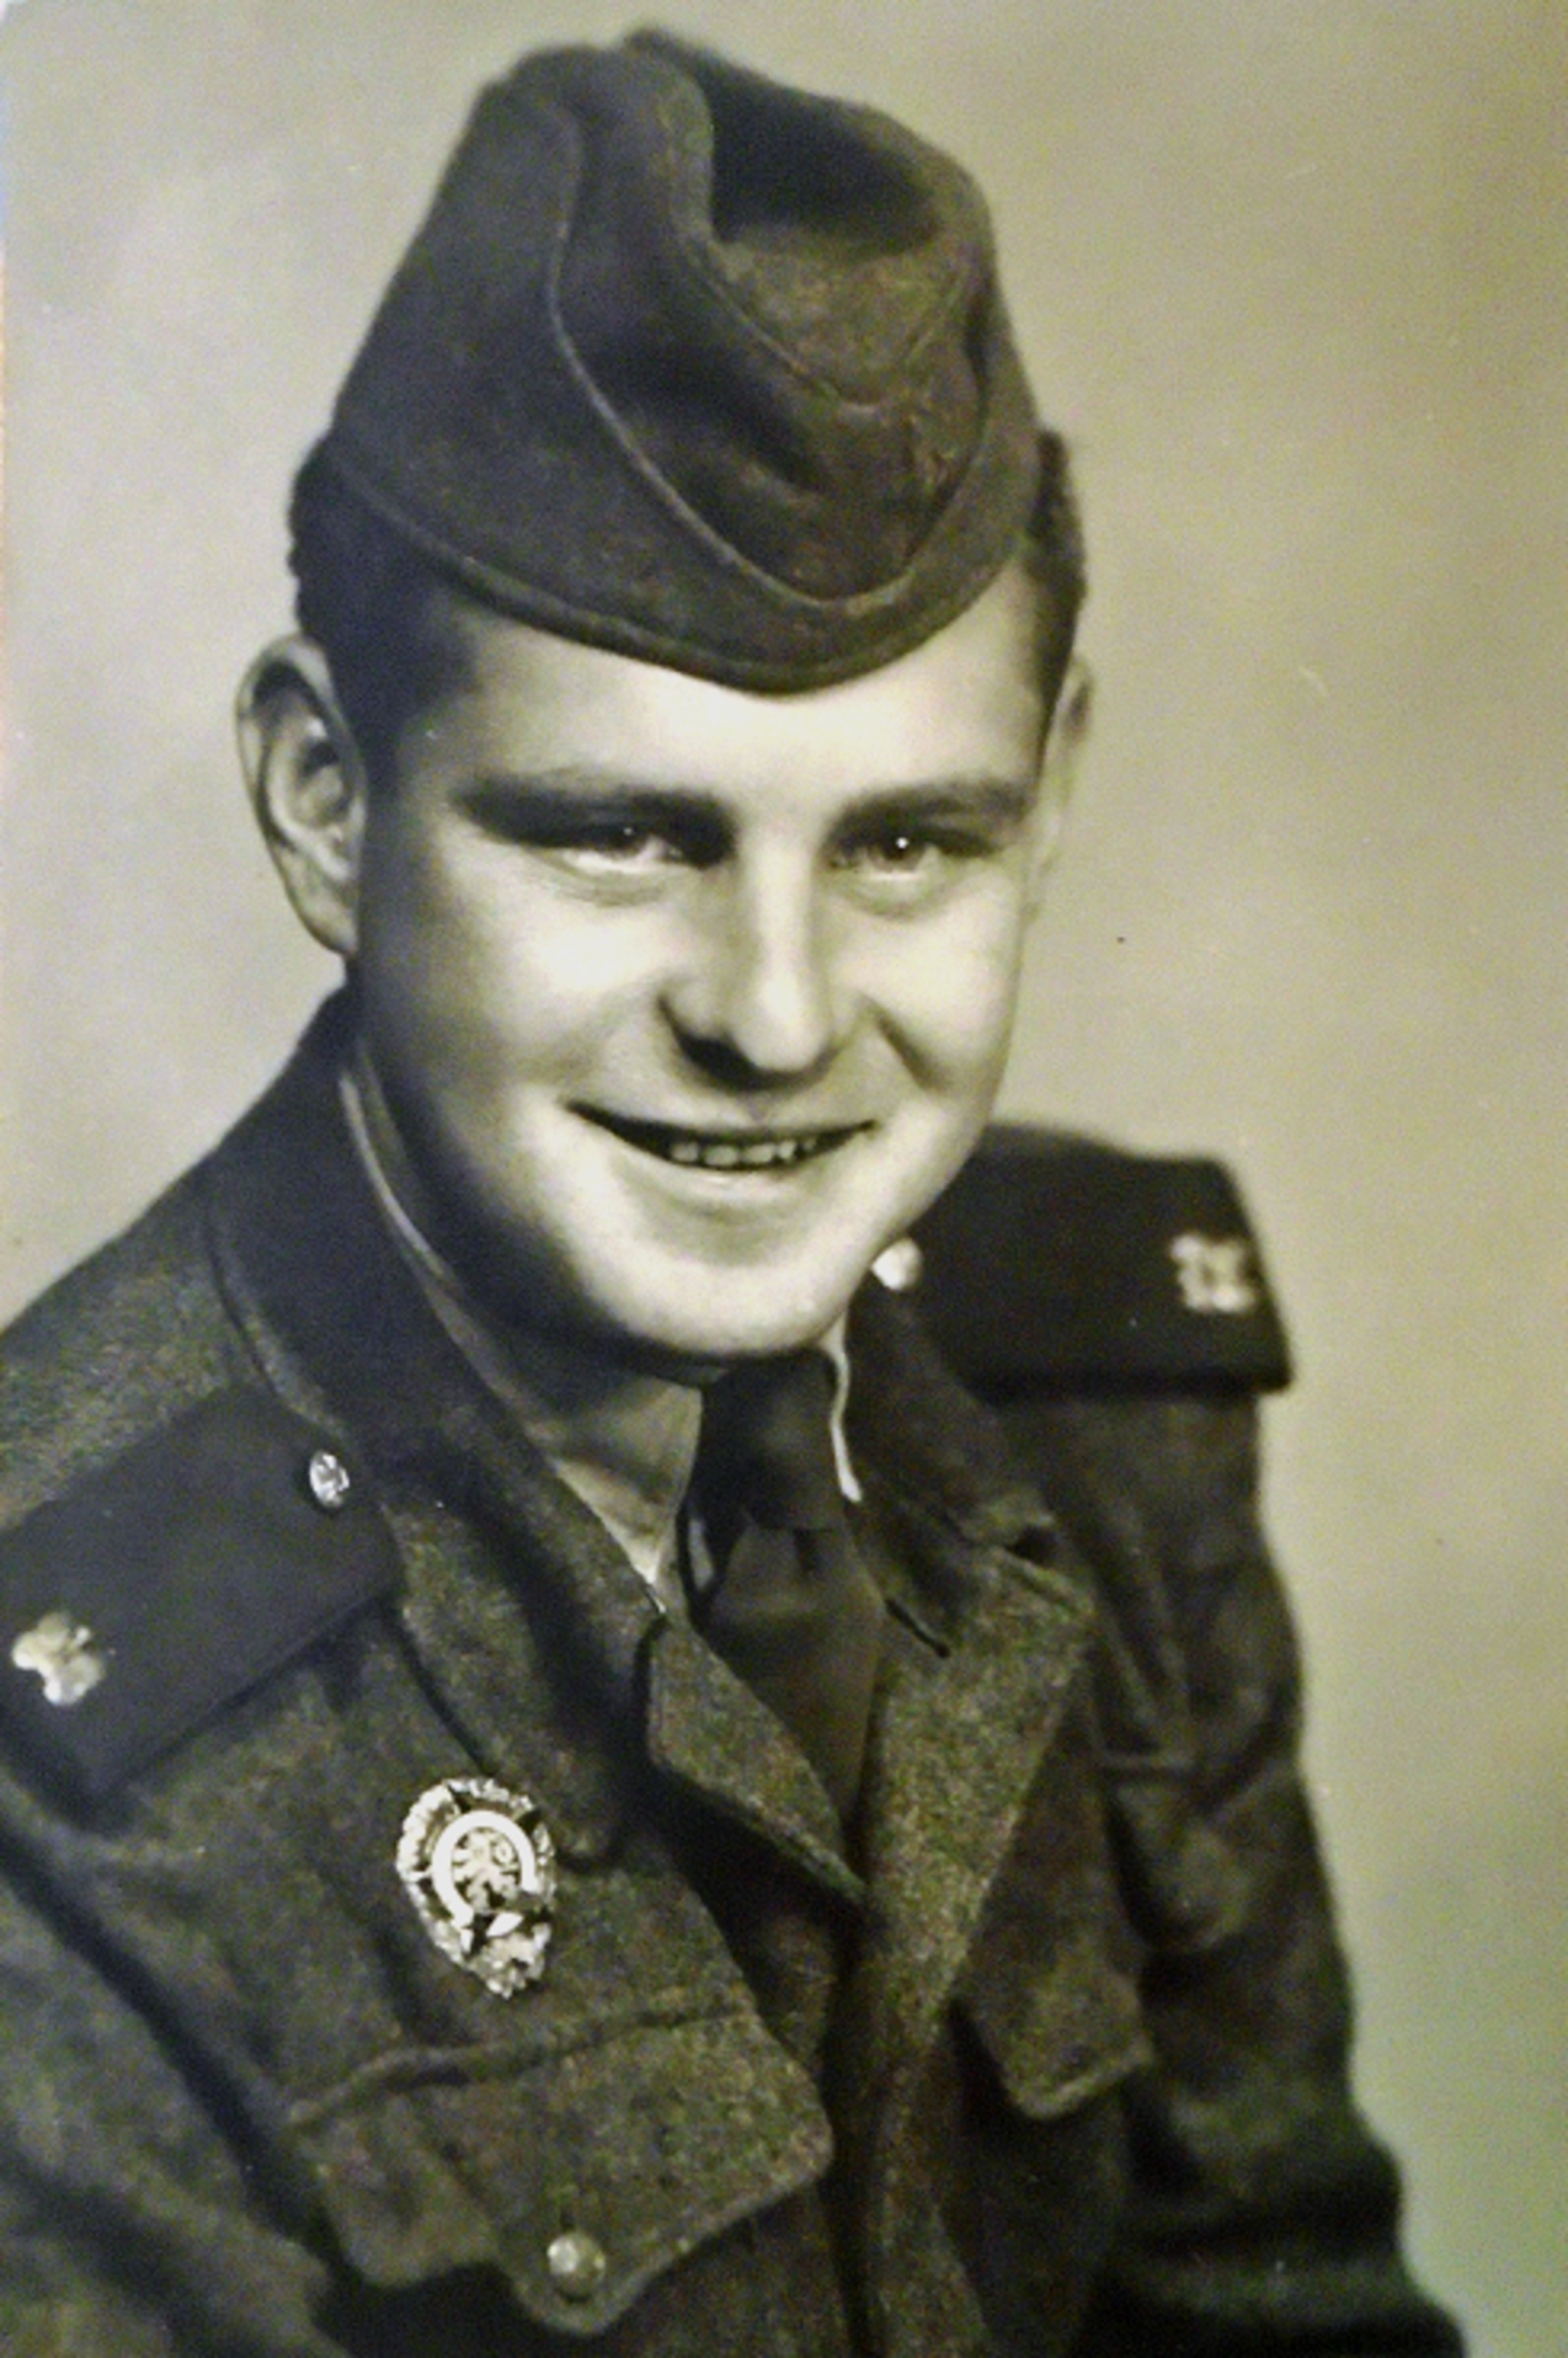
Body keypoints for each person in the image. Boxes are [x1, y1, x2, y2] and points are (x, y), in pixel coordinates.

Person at [0, 30, 1461, 2356]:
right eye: (620, 833)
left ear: (1052, 796)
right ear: (324, 801)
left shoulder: (1096, 1416)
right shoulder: (69, 1753)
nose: (776, 1020)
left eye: (910, 843)